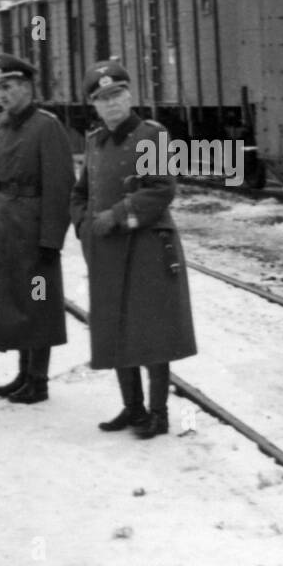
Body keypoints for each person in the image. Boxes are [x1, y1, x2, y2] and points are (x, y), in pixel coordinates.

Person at [70, 62, 197, 438]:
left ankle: (158, 413)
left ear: (129, 96)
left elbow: (161, 189)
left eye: (116, 95)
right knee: (115, 327)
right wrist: (83, 226)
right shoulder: (94, 142)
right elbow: (79, 194)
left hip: (147, 248)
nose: (111, 104)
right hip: (107, 250)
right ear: (93, 105)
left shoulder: (151, 136)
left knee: (153, 331)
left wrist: (118, 214)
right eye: (102, 99)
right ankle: (133, 408)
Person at [0, 54, 74, 405]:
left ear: (28, 88)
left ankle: (38, 379)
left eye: (10, 86)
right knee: (13, 299)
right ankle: (21, 373)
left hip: (34, 230)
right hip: (4, 226)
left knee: (38, 299)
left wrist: (51, 238)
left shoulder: (47, 127)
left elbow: (61, 185)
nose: (3, 94)